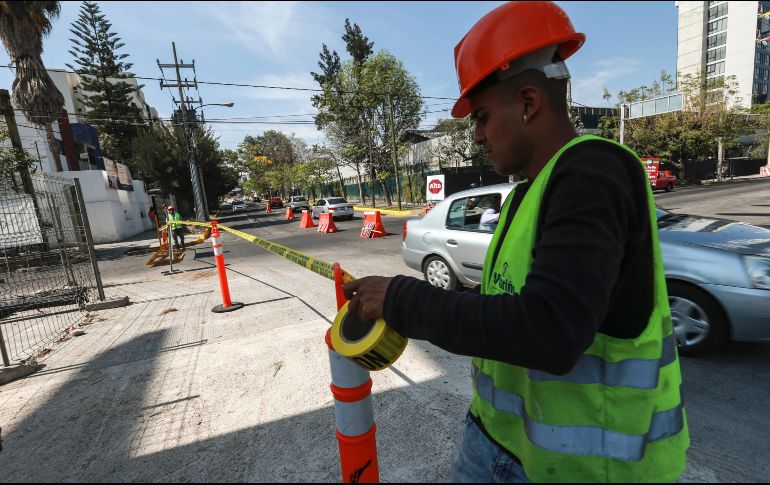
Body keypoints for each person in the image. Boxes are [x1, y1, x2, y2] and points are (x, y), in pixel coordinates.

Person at [342, 2, 688, 482]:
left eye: (481, 117)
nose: (478, 137)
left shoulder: (591, 173)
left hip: (584, 470)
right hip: (501, 440)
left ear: (528, 102)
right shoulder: (527, 193)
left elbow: (550, 330)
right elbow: (506, 306)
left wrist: (404, 300)